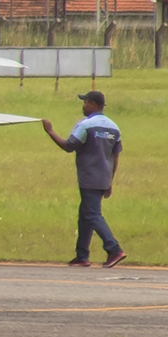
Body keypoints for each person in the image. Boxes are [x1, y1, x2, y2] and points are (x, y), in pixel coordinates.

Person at [42, 90, 125, 268]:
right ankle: (82, 255)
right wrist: (110, 181)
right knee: (85, 215)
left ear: (93, 104)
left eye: (85, 102)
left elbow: (68, 146)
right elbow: (115, 156)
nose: (83, 105)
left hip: (89, 177)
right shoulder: (114, 127)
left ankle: (114, 249)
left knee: (92, 214)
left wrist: (50, 131)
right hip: (104, 178)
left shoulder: (86, 125)